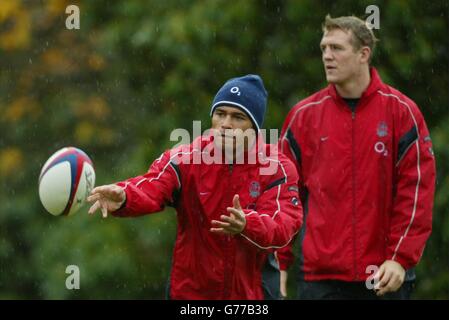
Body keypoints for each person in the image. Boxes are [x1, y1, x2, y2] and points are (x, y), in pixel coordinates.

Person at [87, 74, 303, 300]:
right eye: (220, 114)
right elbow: (153, 185)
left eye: (238, 117)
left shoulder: (277, 167)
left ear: (255, 127)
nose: (226, 124)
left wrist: (247, 224)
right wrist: (125, 197)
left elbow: (285, 225)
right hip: (191, 296)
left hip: (253, 297)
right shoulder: (186, 158)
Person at [277, 15, 436, 299]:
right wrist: (279, 263)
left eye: (337, 48)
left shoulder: (402, 112)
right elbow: (281, 196)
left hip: (385, 275)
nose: (327, 56)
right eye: (324, 48)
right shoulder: (303, 117)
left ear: (364, 54)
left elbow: (416, 194)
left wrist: (400, 258)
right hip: (319, 279)